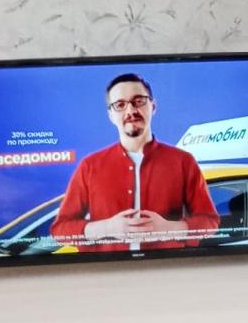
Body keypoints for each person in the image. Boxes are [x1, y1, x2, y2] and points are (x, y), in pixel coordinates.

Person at [50, 73, 220, 250]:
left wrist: (170, 229)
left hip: (168, 264)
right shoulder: (89, 166)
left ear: (153, 106)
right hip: (106, 266)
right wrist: (106, 228)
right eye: (120, 105)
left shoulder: (183, 161)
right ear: (111, 115)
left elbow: (210, 221)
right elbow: (60, 229)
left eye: (139, 101)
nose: (130, 111)